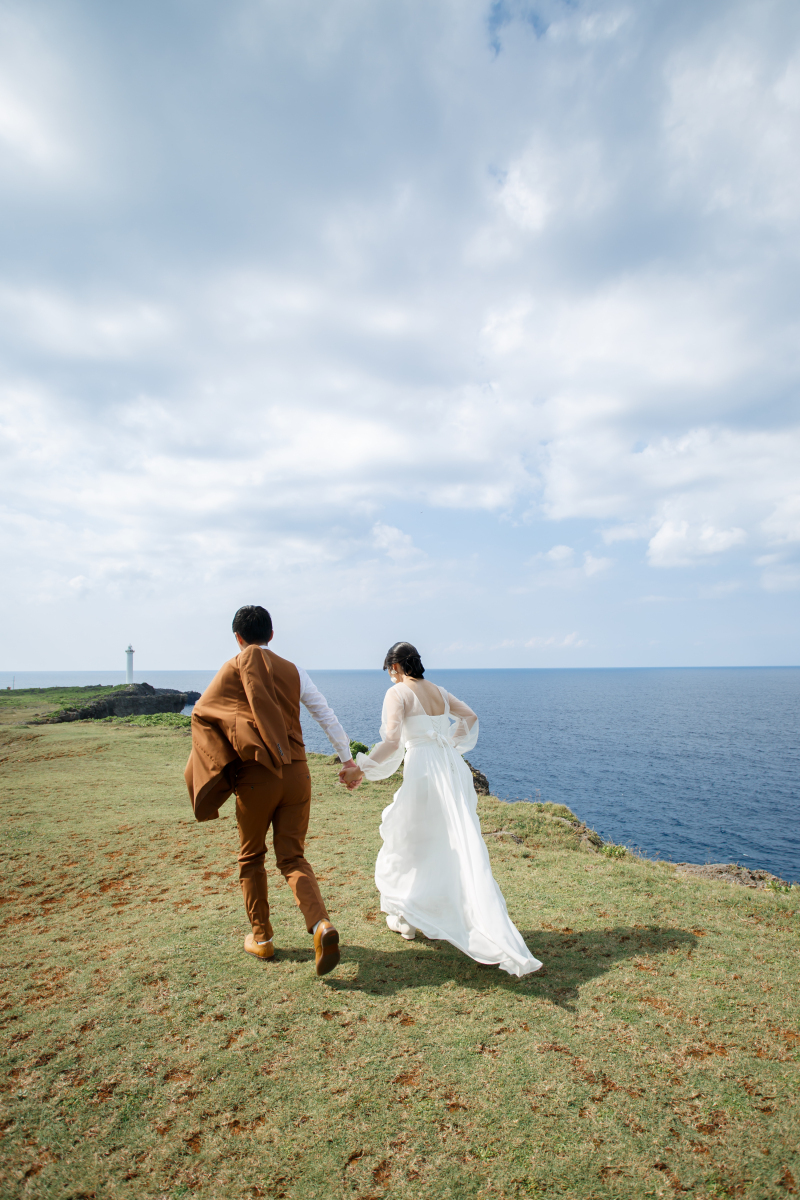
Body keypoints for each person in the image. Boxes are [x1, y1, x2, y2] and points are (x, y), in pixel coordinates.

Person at [339, 642, 542, 978]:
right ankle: (418, 914)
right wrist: (450, 742)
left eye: (389, 669)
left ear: (396, 666)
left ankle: (407, 918)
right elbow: (471, 717)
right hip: (450, 768)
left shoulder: (398, 693)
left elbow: (391, 742)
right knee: (443, 839)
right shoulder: (439, 691)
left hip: (422, 769)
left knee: (410, 838)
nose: (390, 676)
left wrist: (362, 768)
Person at [184, 605, 355, 976]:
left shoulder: (231, 669)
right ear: (272, 636)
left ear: (237, 638)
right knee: (292, 857)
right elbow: (324, 713)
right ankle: (321, 924)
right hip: (297, 773)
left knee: (251, 857)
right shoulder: (294, 670)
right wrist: (347, 760)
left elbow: (202, 712)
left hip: (257, 775)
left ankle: (261, 939)